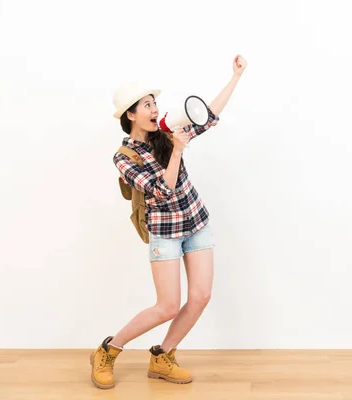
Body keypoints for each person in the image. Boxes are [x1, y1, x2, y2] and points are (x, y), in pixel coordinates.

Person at [90, 55, 248, 389]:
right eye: (146, 105)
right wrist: (177, 150)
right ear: (130, 114)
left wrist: (234, 77)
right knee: (167, 306)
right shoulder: (125, 157)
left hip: (196, 222)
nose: (153, 109)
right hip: (166, 234)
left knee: (201, 296)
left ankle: (163, 356)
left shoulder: (166, 133)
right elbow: (163, 190)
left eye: (154, 103)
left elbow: (207, 116)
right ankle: (109, 350)